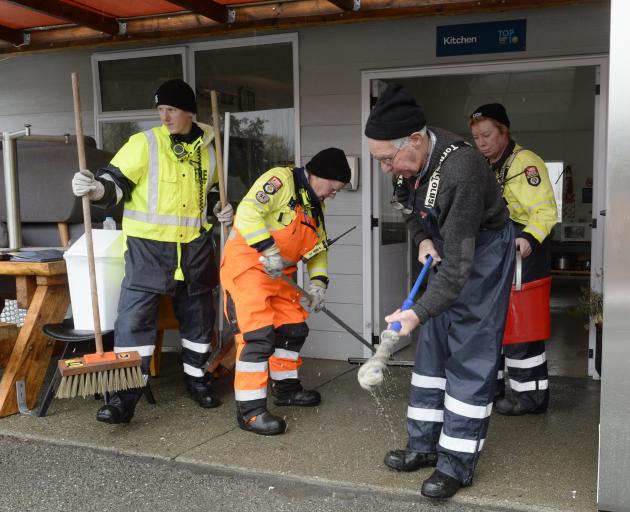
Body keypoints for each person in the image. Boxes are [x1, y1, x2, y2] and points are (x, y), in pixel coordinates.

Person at [365, 84, 515, 499]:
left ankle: (456, 464)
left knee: (469, 349)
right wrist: (423, 241)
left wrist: (413, 314)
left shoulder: (461, 170)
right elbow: (413, 212)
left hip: (482, 252)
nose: (384, 168)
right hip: (446, 243)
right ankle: (423, 446)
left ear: (415, 140)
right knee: (431, 347)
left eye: (386, 159)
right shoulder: (407, 166)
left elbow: (461, 269)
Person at [71, 79, 234, 424]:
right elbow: (115, 183)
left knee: (200, 318)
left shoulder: (210, 149)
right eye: (160, 110)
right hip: (148, 249)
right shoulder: (144, 143)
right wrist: (98, 189)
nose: (164, 116)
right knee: (133, 321)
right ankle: (123, 398)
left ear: (189, 111)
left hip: (195, 248)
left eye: (171, 109)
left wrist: (221, 208)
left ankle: (198, 379)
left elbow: (211, 194)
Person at [220, 148, 351, 436]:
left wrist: (318, 284)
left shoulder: (315, 206)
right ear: (318, 175)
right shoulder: (279, 181)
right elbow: (248, 212)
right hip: (249, 269)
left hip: (282, 277)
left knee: (293, 330)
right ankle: (250, 411)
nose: (333, 194)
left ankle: (286, 389)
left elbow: (318, 250)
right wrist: (267, 248)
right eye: (333, 188)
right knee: (257, 338)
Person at [469, 103, 558, 415]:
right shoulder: (485, 165)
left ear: (504, 132)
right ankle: (492, 390)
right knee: (494, 322)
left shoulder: (525, 163)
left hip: (523, 250)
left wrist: (529, 238)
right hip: (495, 251)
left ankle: (529, 397)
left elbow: (545, 211)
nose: (481, 142)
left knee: (522, 325)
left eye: (487, 135)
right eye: (476, 136)